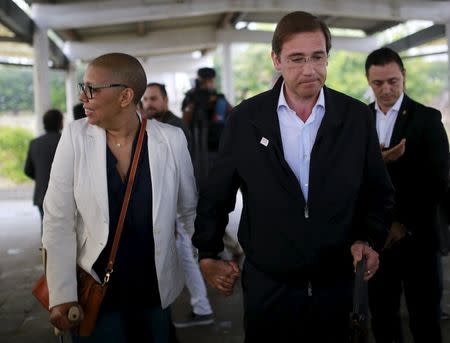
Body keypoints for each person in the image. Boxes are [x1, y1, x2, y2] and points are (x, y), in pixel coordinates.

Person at [192, 11, 394, 343]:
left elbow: (378, 192)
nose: (309, 70)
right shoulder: (246, 120)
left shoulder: (355, 117)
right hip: (269, 288)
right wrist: (209, 253)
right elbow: (217, 194)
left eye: (318, 57)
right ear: (276, 60)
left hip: (338, 285)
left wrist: (368, 239)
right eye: (296, 59)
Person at [42, 53, 197, 342]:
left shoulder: (171, 139)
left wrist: (210, 257)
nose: (82, 97)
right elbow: (58, 219)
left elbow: (189, 211)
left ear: (125, 96)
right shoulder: (75, 136)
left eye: (91, 88)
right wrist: (61, 293)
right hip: (96, 288)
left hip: (154, 287)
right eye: (82, 86)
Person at [365, 47, 449, 343]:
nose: (386, 89)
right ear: (368, 81)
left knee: (425, 318)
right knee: (382, 317)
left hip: (418, 238)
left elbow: (438, 181)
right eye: (378, 83)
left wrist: (404, 224)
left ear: (404, 76)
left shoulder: (427, 119)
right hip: (376, 240)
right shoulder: (359, 120)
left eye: (393, 81)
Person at [141, 82, 214, 327]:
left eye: (153, 99)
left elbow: (170, 176)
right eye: (146, 100)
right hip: (174, 208)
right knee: (186, 257)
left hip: (178, 207)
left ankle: (202, 308)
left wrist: (170, 216)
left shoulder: (172, 127)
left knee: (186, 257)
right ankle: (200, 306)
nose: (148, 104)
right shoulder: (158, 126)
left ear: (165, 100)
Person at [181, 67, 232, 184]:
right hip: (196, 149)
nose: (208, 84)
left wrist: (216, 103)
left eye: (210, 81)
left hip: (217, 148)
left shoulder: (220, 98)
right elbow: (184, 122)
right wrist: (192, 102)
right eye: (204, 81)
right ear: (198, 81)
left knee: (219, 182)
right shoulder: (190, 98)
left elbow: (234, 115)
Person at [24, 108, 63, 234]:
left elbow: (27, 170)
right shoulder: (65, 141)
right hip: (63, 195)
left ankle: (46, 252)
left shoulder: (34, 143)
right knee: (64, 230)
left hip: (41, 194)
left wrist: (41, 178)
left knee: (46, 228)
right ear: (59, 123)